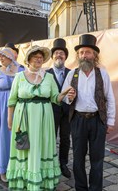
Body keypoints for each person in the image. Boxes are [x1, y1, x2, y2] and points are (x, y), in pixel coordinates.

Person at [6, 45, 75, 190]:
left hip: (44, 120)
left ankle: (42, 180)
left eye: (41, 57)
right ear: (29, 59)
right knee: (25, 146)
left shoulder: (49, 77)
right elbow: (12, 100)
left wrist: (65, 92)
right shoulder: (19, 77)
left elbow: (55, 98)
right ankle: (24, 179)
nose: (39, 59)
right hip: (24, 119)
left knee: (42, 145)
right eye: (36, 57)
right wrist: (10, 120)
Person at [62, 34, 116, 191]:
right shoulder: (72, 74)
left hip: (97, 120)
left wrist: (110, 121)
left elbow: (110, 99)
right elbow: (63, 97)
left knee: (97, 159)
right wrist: (69, 98)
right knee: (78, 159)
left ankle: (95, 188)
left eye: (87, 52)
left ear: (94, 55)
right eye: (81, 53)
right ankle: (80, 188)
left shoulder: (102, 74)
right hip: (78, 120)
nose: (84, 55)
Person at [0, 47, 24, 182]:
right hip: (2, 107)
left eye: (3, 56)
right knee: (4, 137)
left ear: (10, 56)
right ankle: (3, 168)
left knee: (19, 136)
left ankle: (19, 167)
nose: (0, 59)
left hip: (19, 106)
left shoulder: (21, 70)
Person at [46, 38, 72, 178]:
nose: (59, 55)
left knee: (65, 138)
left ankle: (63, 163)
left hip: (67, 112)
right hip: (51, 111)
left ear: (65, 57)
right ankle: (50, 162)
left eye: (61, 53)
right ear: (52, 57)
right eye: (56, 53)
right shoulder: (46, 74)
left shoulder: (72, 72)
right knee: (51, 137)